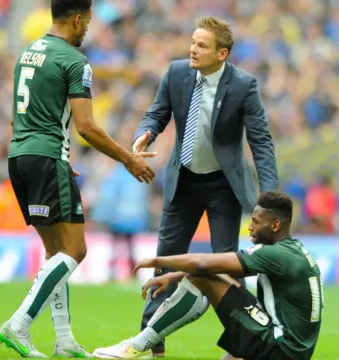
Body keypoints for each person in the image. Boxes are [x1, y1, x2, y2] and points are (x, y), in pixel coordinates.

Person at [0, 0, 156, 358]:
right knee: (76, 250)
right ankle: (19, 324)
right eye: (87, 24)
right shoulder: (74, 60)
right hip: (46, 158)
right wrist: (128, 159)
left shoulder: (29, 51)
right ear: (78, 19)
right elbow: (86, 126)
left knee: (56, 252)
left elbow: (18, 116)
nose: (88, 31)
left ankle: (64, 339)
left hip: (20, 156)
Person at [131, 15, 278, 357]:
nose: (192, 50)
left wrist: (270, 195)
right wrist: (145, 132)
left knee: (225, 267)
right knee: (166, 260)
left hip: (222, 187)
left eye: (201, 45)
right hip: (183, 181)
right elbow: (157, 113)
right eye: (193, 42)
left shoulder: (244, 85)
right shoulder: (177, 73)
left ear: (222, 54)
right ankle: (152, 340)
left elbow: (262, 141)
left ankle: (244, 341)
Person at [93, 191, 323, 360]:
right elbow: (222, 269)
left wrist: (157, 261)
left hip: (279, 347)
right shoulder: (293, 250)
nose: (250, 228)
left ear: (274, 225)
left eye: (255, 222)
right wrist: (173, 277)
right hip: (294, 349)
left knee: (200, 278)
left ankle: (138, 346)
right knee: (217, 278)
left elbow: (203, 264)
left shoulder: (275, 254)